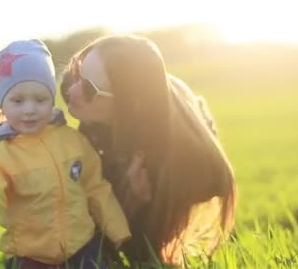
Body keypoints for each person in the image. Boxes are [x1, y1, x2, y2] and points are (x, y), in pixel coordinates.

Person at [60, 34, 237, 265]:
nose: (72, 91)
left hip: (170, 163)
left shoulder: (190, 159)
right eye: (77, 72)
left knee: (146, 254)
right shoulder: (83, 101)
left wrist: (145, 200)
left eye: (88, 88)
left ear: (128, 103)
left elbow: (217, 182)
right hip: (123, 139)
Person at [0, 39, 131, 268]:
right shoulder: (0, 156)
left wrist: (117, 230)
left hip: (81, 244)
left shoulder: (73, 141)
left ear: (52, 99)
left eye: (40, 99)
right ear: (1, 105)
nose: (29, 109)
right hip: (30, 254)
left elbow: (96, 187)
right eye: (18, 100)